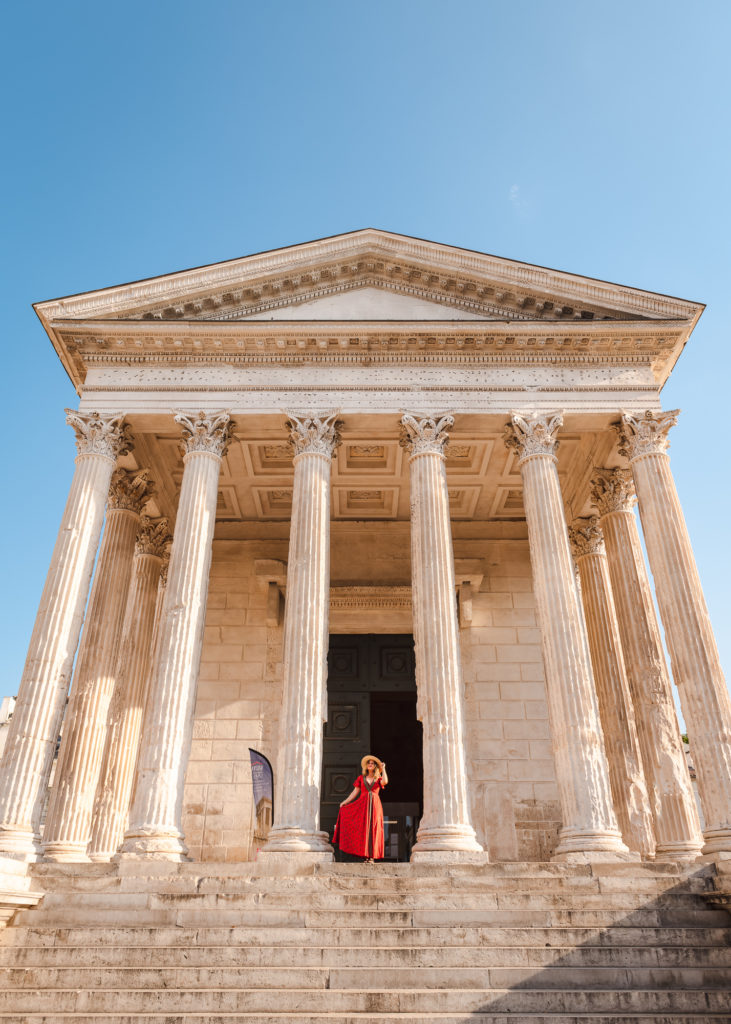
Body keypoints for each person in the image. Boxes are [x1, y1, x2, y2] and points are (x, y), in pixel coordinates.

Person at [332, 755, 388, 862]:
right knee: (364, 829)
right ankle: (365, 855)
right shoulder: (360, 778)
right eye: (369, 763)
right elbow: (355, 792)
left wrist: (383, 768)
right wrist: (345, 802)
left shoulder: (378, 778)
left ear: (375, 766)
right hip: (362, 806)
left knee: (373, 829)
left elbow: (385, 782)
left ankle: (372, 856)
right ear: (366, 766)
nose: (370, 764)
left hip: (375, 806)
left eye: (372, 763)